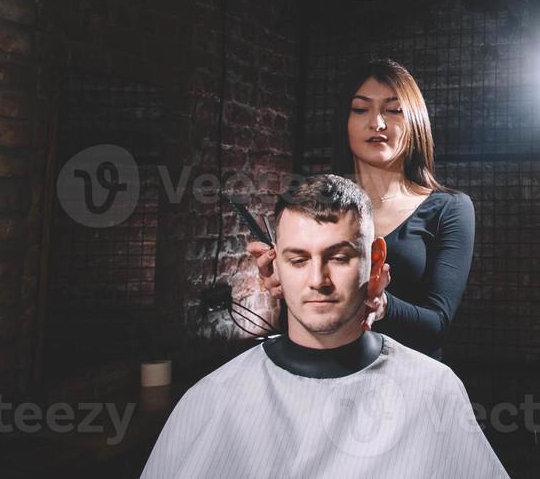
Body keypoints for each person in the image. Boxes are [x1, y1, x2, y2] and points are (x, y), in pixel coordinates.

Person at [142, 175, 507, 477]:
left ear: (375, 261)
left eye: (340, 257)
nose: (318, 280)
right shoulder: (213, 399)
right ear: (275, 266)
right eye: (298, 259)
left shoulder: (433, 390)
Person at [251, 59, 474, 360]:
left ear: (415, 121)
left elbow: (436, 325)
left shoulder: (449, 208)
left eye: (393, 110)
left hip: (406, 382)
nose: (377, 123)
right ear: (344, 120)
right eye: (360, 109)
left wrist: (379, 303)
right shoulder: (304, 203)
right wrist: (285, 284)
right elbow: (293, 323)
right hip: (321, 373)